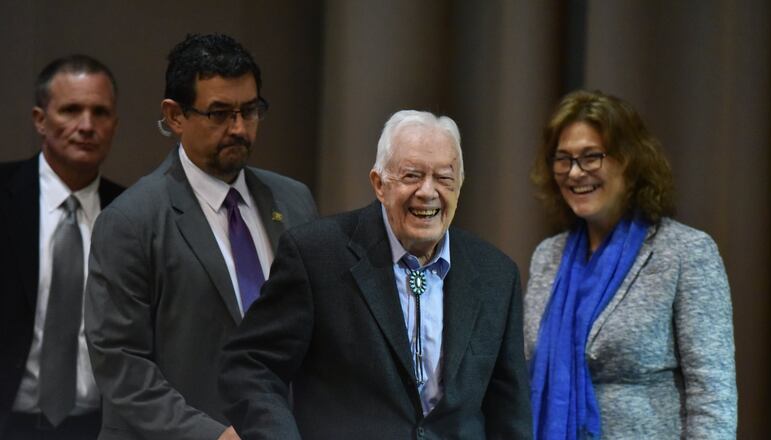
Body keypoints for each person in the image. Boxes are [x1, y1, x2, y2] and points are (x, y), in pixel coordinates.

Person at [220, 110, 531, 439]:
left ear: (459, 186)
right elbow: (251, 364)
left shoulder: (497, 275)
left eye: (444, 178)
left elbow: (509, 410)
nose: (428, 191)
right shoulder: (316, 255)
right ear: (379, 184)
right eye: (412, 176)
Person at [84, 34, 318, 440]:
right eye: (220, 114)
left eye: (250, 110)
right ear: (175, 116)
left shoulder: (293, 201)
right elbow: (121, 364)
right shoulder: (131, 220)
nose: (239, 128)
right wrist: (210, 436)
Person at [524, 90, 737, 439]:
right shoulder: (547, 256)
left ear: (629, 160)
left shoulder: (686, 252)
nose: (575, 173)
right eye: (563, 159)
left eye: (591, 157)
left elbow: (712, 395)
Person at [0, 55, 123, 440]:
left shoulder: (134, 214)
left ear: (114, 125)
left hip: (100, 428)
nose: (86, 126)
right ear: (40, 119)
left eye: (100, 112)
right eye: (71, 110)